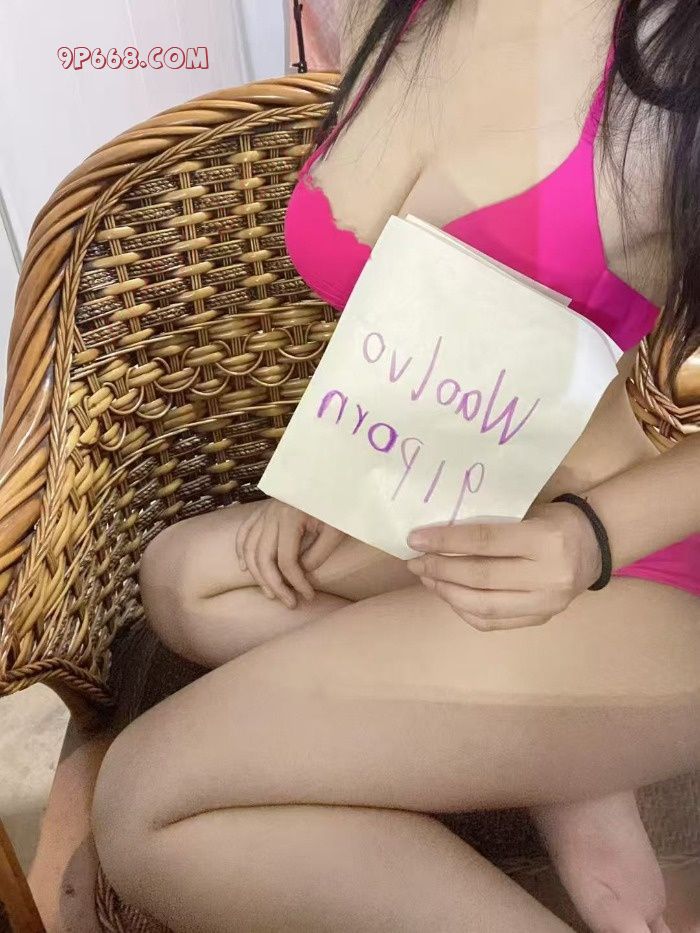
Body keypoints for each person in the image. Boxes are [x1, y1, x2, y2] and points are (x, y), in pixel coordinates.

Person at [91, 1, 700, 930]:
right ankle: (563, 767)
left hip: (628, 563)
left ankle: (566, 735)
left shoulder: (673, 61)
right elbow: (424, 296)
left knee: (145, 808)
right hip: (467, 501)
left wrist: (587, 541)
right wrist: (342, 454)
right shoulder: (386, 9)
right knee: (185, 580)